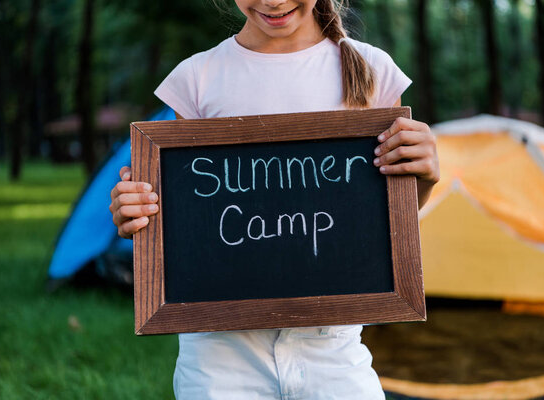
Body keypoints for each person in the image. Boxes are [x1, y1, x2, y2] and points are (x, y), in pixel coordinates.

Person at [109, 0, 439, 398]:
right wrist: (137, 214)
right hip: (220, 354)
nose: (272, 1)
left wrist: (425, 177)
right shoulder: (198, 77)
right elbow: (185, 217)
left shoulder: (371, 70)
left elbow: (383, 212)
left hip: (332, 346)